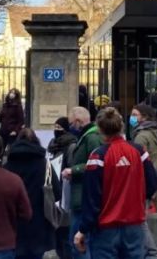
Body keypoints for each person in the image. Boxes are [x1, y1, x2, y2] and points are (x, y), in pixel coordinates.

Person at [74, 108, 157, 258]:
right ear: (121, 126)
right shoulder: (138, 152)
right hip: (134, 226)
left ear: (100, 129)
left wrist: (83, 229)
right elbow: (152, 183)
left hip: (105, 230)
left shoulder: (98, 156)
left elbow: (92, 197)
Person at [5, 129, 60, 259]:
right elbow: (57, 193)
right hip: (39, 221)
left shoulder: (8, 165)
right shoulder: (45, 165)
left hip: (14, 221)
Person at [61, 106, 103, 259]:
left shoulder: (91, 137)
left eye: (72, 123)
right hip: (81, 195)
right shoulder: (86, 136)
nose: (71, 127)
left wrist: (73, 170)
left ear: (78, 121)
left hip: (84, 195)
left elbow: (97, 163)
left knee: (79, 242)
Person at [130, 105, 157, 258]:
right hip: (152, 179)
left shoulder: (141, 136)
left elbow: (137, 161)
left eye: (134, 114)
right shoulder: (154, 133)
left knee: (140, 220)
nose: (131, 117)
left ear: (144, 117)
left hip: (142, 182)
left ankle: (151, 252)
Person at [47, 117, 77, 259]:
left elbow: (71, 165)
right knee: (57, 230)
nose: (56, 130)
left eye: (59, 127)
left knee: (65, 230)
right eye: (55, 127)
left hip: (65, 188)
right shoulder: (52, 145)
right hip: (54, 189)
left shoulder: (71, 146)